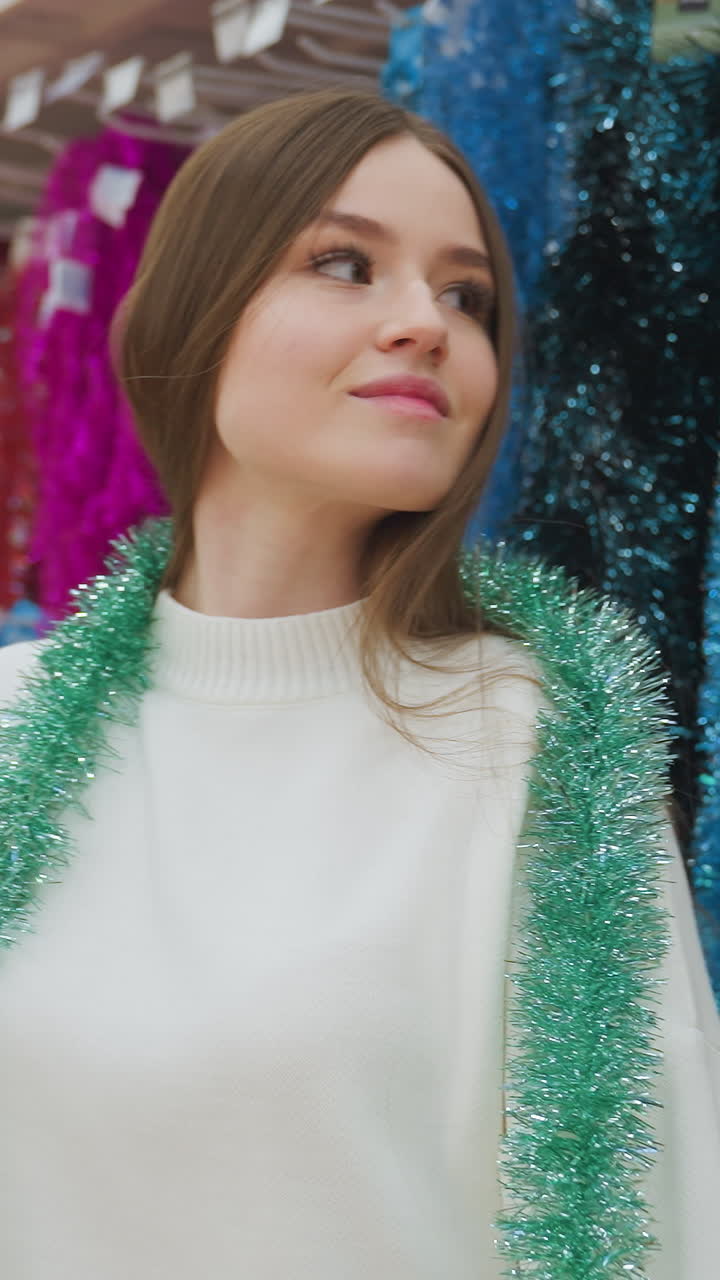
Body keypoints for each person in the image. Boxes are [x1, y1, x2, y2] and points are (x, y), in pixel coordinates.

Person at [0, 88, 718, 1280]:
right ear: (195, 312)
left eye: (466, 295)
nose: (425, 325)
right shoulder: (16, 722)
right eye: (344, 262)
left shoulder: (542, 746)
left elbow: (660, 1212)